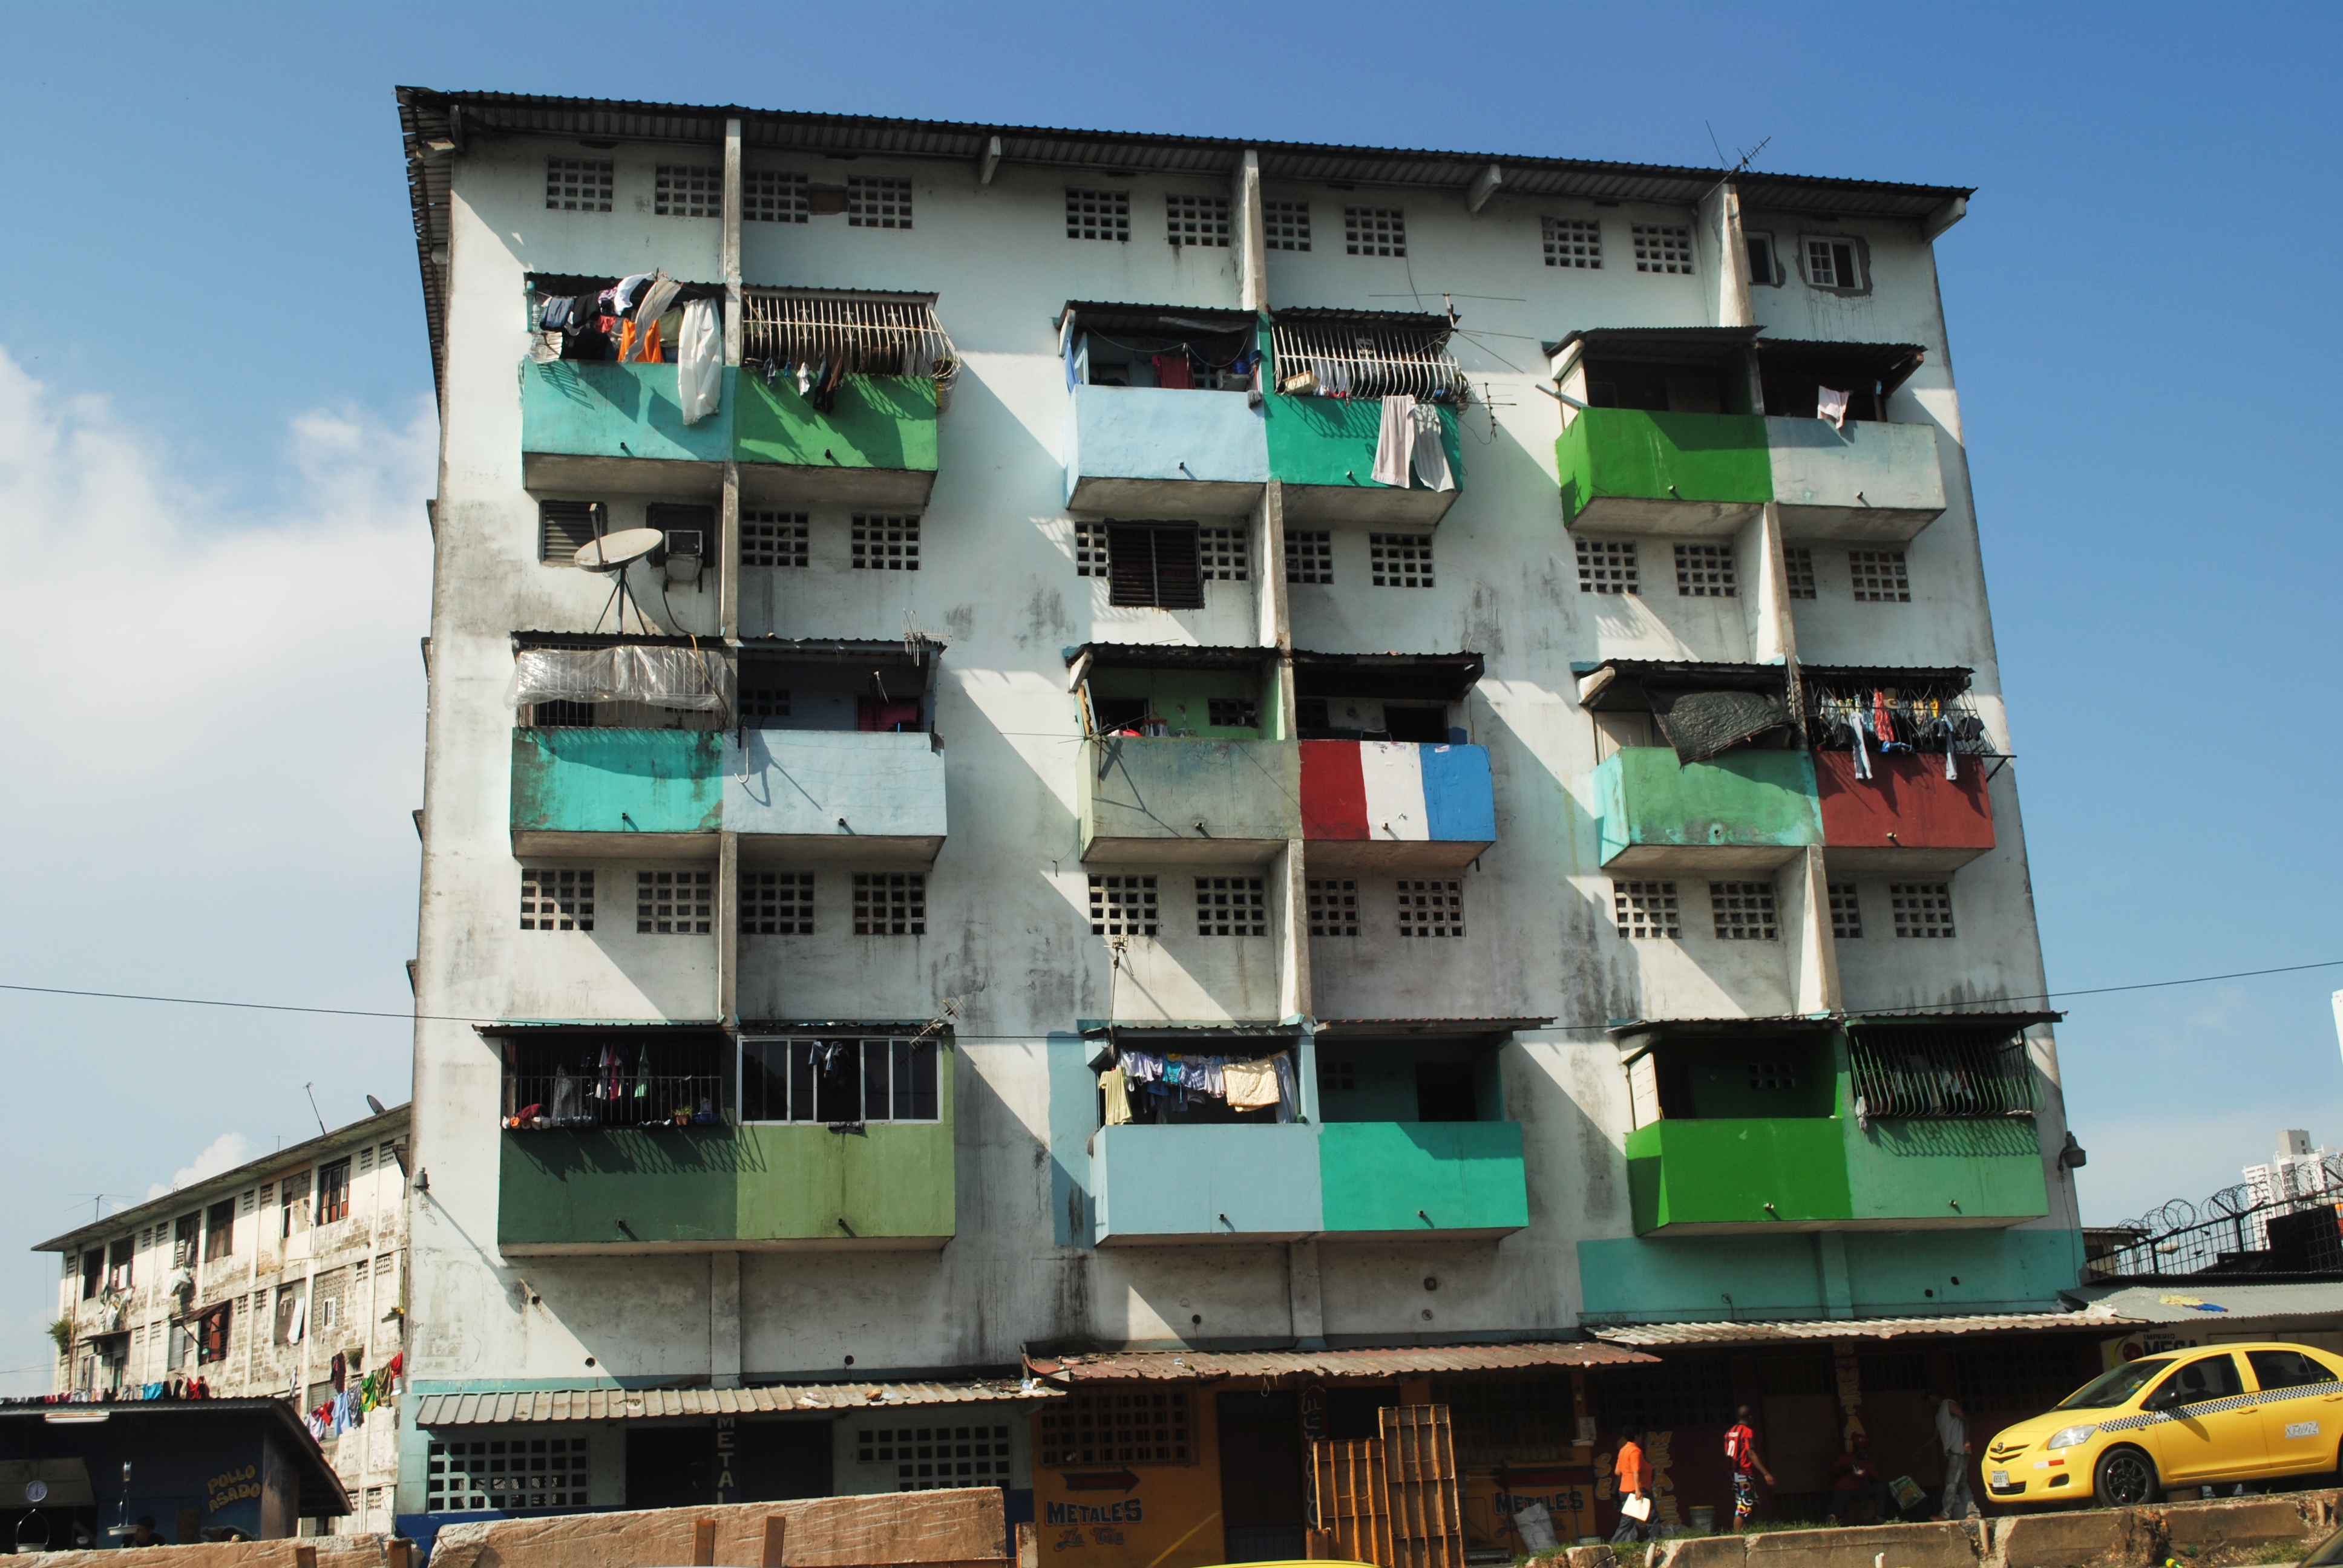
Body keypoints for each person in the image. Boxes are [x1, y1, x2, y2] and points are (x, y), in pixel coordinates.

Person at [1928, 1388, 1979, 1520]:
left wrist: (1966, 1440)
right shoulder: (1939, 1415)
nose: (1930, 1401)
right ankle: (1973, 1513)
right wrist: (1920, 1450)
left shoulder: (1949, 1405)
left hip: (1959, 1449)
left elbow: (1966, 1420)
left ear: (1935, 1396)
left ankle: (1945, 1513)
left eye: (1930, 1397)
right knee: (1962, 1484)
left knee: (1951, 1482)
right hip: (1953, 1451)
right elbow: (1935, 1435)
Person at [1725, 1406, 1774, 1529]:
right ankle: (1737, 1536)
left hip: (1735, 1474)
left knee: (1755, 1502)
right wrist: (1766, 1473)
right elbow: (1751, 1453)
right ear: (1750, 1417)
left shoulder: (1729, 1432)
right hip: (1744, 1474)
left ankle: (1759, 1528)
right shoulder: (1747, 1432)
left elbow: (1727, 1454)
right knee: (1743, 1508)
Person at [1827, 1436, 1890, 1524]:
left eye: (1865, 1448)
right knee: (1841, 1497)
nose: (1864, 1451)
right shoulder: (1846, 1458)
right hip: (1843, 1491)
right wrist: (1847, 1467)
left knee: (1880, 1488)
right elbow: (1833, 1473)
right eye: (1861, 1448)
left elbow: (1876, 1483)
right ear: (1855, 1448)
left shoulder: (1868, 1463)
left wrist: (1867, 1475)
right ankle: (1832, 1517)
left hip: (1858, 1492)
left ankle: (1879, 1517)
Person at [1610, 1426, 1653, 1544]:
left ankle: (1618, 1543)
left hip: (1624, 1489)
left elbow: (1617, 1471)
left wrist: (1626, 1471)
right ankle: (1615, 1543)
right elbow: (1635, 1471)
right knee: (1651, 1515)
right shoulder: (1635, 1451)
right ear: (1636, 1437)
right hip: (1634, 1489)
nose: (1641, 1438)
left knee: (1628, 1520)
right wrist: (1638, 1491)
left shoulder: (1623, 1450)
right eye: (1640, 1435)